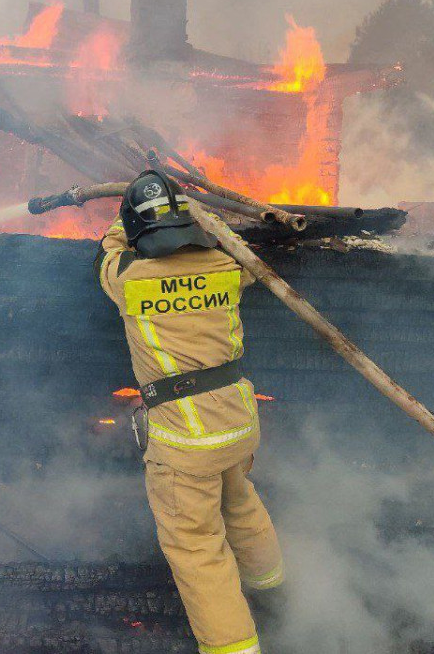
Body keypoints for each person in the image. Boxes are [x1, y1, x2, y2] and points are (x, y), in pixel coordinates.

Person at [96, 169, 283, 654]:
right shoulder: (228, 266)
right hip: (238, 422)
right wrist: (197, 215)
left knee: (197, 546)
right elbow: (231, 245)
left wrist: (122, 220)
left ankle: (234, 647)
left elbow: (108, 250)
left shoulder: (126, 275)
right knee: (240, 501)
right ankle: (271, 586)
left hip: (186, 440)